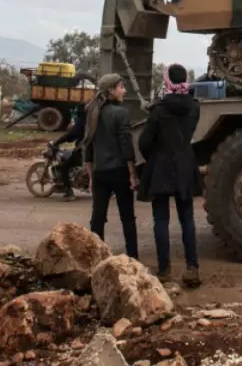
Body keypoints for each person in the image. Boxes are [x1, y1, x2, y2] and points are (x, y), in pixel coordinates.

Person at [138, 63, 202, 288]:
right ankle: (192, 268)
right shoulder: (195, 108)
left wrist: (154, 156)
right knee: (187, 220)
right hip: (185, 165)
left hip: (161, 168)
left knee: (161, 220)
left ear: (167, 82)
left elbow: (144, 142)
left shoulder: (158, 110)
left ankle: (164, 270)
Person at [83, 74, 138, 259]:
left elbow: (88, 146)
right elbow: (126, 145)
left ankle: (97, 258)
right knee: (128, 218)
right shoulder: (120, 113)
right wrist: (132, 173)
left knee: (97, 217)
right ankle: (132, 258)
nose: (124, 91)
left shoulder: (91, 111)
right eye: (121, 87)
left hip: (100, 173)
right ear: (111, 91)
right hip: (119, 172)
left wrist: (91, 176)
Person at [50, 105, 84, 201]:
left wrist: (57, 142)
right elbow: (72, 137)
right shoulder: (92, 120)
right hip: (89, 149)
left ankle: (68, 191)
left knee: (63, 165)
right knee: (69, 154)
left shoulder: (82, 121)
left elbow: (71, 135)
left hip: (85, 151)